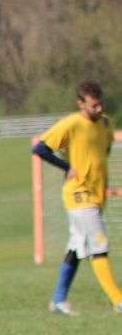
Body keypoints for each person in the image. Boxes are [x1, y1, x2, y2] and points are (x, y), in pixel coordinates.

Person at [33, 81, 118, 313]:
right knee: (99, 244)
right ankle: (118, 300)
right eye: (94, 106)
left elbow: (104, 150)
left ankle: (59, 300)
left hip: (96, 194)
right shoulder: (71, 124)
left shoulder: (105, 123)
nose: (99, 109)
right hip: (79, 194)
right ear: (81, 103)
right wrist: (67, 167)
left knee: (76, 248)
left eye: (101, 104)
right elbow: (40, 148)